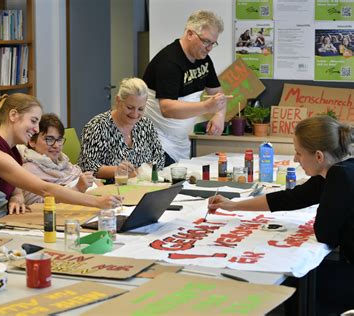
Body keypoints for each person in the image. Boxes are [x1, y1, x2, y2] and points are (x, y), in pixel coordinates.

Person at [208, 115, 354, 313]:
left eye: (299, 153)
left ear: (319, 156)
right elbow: (291, 198)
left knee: (296, 282)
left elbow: (325, 234)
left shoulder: (339, 177)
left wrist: (328, 205)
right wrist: (234, 206)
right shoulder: (339, 169)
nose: (295, 159)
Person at [0, 93, 120, 222]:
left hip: (2, 223)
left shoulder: (12, 151)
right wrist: (97, 203)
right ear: (13, 115)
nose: (36, 130)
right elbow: (45, 189)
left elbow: (15, 186)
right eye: (33, 121)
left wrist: (17, 197)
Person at [142, 9, 227, 166]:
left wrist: (220, 115)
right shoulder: (169, 62)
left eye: (213, 43)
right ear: (190, 34)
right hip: (157, 140)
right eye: (206, 41)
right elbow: (167, 108)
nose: (209, 48)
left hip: (180, 140)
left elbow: (218, 94)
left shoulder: (204, 60)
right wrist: (206, 106)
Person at [78, 77, 165, 181]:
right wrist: (117, 171)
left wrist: (142, 171)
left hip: (143, 185)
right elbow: (88, 167)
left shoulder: (146, 124)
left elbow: (159, 158)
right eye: (130, 107)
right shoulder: (97, 126)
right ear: (118, 100)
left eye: (141, 109)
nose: (135, 114)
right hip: (110, 189)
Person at [17, 113, 99, 204]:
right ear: (32, 141)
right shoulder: (29, 169)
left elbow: (88, 181)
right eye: (49, 139)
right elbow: (35, 206)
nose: (56, 146)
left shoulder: (64, 162)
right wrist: (77, 188)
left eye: (59, 139)